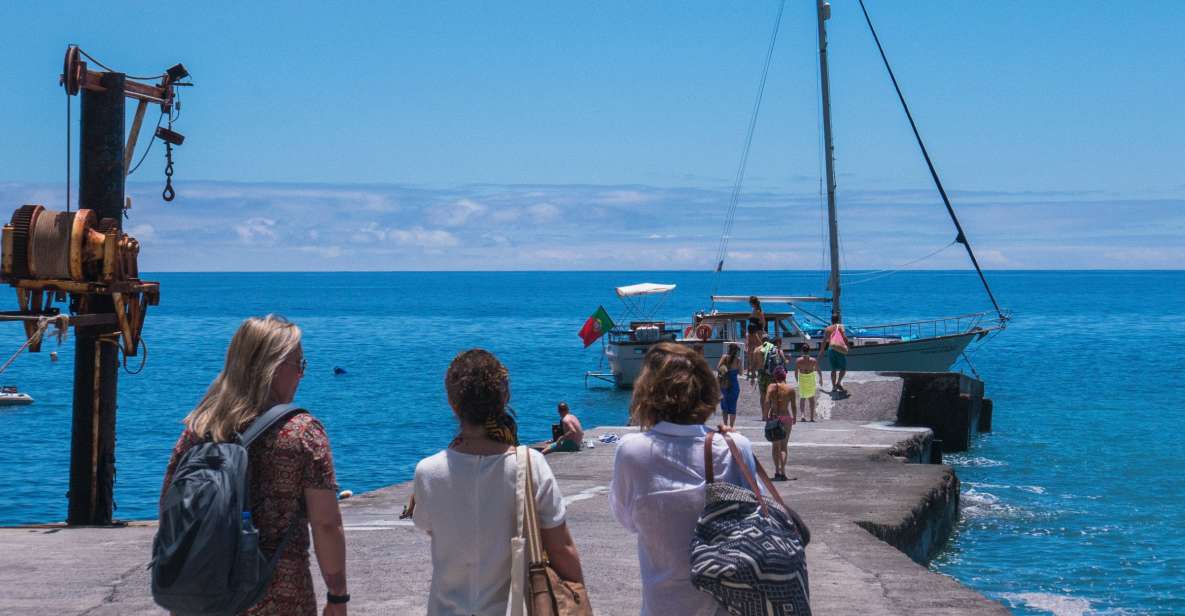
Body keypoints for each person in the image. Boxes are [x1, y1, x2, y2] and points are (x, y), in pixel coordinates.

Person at [160, 315, 347, 616]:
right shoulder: (302, 432)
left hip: (204, 598)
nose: (301, 375)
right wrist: (338, 596)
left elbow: (169, 507)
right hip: (280, 597)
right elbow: (326, 524)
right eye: (299, 365)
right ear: (272, 368)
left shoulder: (199, 428)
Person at [413, 349, 584, 616]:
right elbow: (561, 548)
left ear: (451, 401)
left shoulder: (428, 472)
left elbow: (426, 524)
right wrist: (578, 601)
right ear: (505, 396)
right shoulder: (530, 464)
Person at [611, 341, 766, 616]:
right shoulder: (735, 446)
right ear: (706, 391)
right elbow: (761, 519)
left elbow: (627, 519)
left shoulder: (632, 451)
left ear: (647, 394)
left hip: (663, 606)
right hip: (729, 605)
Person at [764, 366, 797, 481]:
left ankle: (777, 472)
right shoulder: (790, 389)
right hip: (786, 417)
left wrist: (765, 415)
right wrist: (795, 418)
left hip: (774, 417)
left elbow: (767, 401)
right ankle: (783, 472)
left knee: (775, 446)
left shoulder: (771, 387)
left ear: (775, 376)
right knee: (784, 446)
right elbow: (793, 406)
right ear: (785, 376)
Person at [819, 314, 853, 393]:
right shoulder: (840, 326)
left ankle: (834, 387)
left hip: (831, 349)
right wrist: (848, 346)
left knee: (833, 369)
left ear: (831, 320)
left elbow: (824, 341)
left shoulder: (827, 329)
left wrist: (821, 351)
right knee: (843, 368)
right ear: (838, 320)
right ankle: (838, 383)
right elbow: (844, 337)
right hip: (839, 349)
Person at [757, 335, 786, 419]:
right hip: (775, 376)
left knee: (764, 395)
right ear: (778, 343)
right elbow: (782, 362)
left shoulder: (760, 349)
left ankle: (764, 415)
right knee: (774, 396)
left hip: (763, 373)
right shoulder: (778, 350)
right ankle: (773, 414)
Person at [794, 343, 823, 422]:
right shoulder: (813, 360)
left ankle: (803, 415)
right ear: (809, 350)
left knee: (802, 398)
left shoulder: (798, 360)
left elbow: (796, 373)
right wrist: (821, 379)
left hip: (803, 378)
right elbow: (818, 370)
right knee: (811, 398)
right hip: (810, 378)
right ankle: (812, 417)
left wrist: (797, 381)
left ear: (802, 351)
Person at [716, 343, 742, 428]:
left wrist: (725, 369)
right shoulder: (738, 360)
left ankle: (725, 425)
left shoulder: (724, 357)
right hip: (734, 385)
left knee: (724, 406)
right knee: (733, 406)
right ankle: (731, 426)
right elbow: (741, 373)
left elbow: (718, 367)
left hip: (724, 384)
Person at [745, 296, 766, 380]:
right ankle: (750, 370)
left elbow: (763, 323)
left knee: (755, 351)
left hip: (756, 332)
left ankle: (754, 370)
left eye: (750, 302)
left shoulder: (758, 311)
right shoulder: (754, 310)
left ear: (752, 303)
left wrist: (757, 328)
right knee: (750, 351)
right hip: (752, 332)